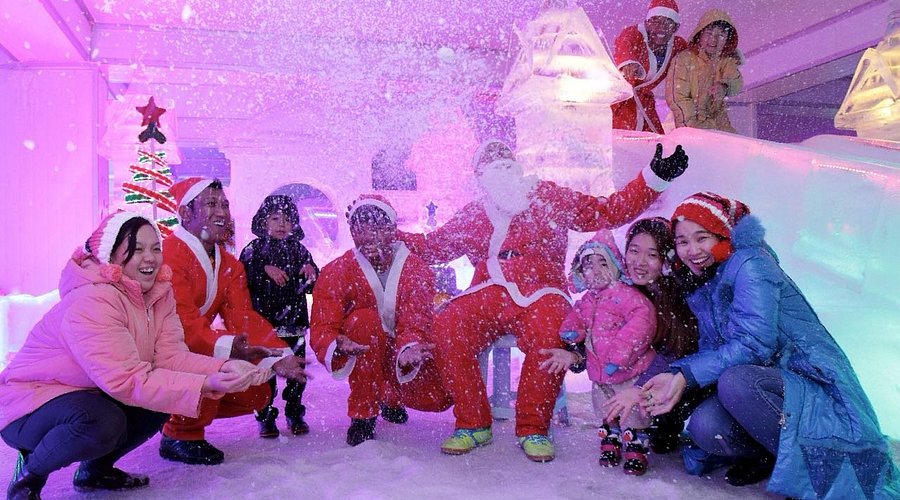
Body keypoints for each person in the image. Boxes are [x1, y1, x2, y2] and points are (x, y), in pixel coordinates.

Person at [400, 138, 689, 462]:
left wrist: (654, 178)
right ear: (479, 175)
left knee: (553, 330)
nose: (498, 162)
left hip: (542, 290)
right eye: (489, 159)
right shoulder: (474, 214)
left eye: (503, 156)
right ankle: (472, 422)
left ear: (515, 164)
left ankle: (533, 427)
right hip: (487, 290)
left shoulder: (547, 196)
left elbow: (606, 211)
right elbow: (433, 247)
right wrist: (385, 232)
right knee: (448, 324)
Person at [641, 192, 900, 498]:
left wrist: (687, 376)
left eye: (702, 238)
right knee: (705, 426)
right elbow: (713, 349)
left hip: (808, 378)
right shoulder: (707, 280)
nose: (692, 250)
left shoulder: (750, 264)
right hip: (767, 382)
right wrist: (675, 376)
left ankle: (811, 473)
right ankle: (769, 456)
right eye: (683, 242)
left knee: (736, 382)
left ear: (723, 235)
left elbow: (754, 344)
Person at [0, 213, 269, 499]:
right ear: (111, 256)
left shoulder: (157, 295)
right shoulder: (92, 300)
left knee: (158, 401)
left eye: (155, 248)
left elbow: (170, 358)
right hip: (30, 404)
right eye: (137, 249)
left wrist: (223, 368)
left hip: (88, 392)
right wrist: (205, 384)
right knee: (103, 421)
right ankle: (29, 475)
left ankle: (96, 470)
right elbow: (125, 380)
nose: (150, 258)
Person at [159, 178, 307, 466]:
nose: (221, 212)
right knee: (216, 368)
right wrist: (228, 350)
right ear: (185, 213)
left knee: (258, 392)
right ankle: (180, 432)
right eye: (211, 204)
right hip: (161, 350)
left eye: (224, 205)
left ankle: (174, 410)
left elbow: (243, 316)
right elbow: (183, 323)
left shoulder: (229, 264)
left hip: (189, 347)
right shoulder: (169, 255)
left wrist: (278, 354)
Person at [310, 195, 452, 446]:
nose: (368, 236)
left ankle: (392, 396)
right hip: (365, 348)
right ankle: (363, 414)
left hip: (401, 349)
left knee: (437, 393)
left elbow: (416, 318)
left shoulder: (416, 269)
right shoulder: (336, 271)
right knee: (363, 321)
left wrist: (409, 347)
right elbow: (323, 323)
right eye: (360, 229)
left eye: (376, 228)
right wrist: (335, 343)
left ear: (391, 230)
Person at [539, 230, 656, 475]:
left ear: (615, 266)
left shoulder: (628, 296)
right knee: (605, 407)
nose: (596, 270)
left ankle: (636, 445)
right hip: (599, 372)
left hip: (628, 371)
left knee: (632, 411)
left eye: (603, 263)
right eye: (588, 265)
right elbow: (577, 316)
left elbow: (641, 324)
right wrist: (571, 331)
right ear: (581, 273)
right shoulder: (588, 300)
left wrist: (619, 356)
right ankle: (611, 438)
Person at [605, 217, 699, 454]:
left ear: (666, 260)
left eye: (652, 255)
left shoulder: (678, 296)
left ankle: (665, 422)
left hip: (683, 379)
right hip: (648, 376)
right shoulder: (624, 292)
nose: (640, 262)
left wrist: (638, 388)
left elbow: (675, 351)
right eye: (634, 251)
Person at [240, 195, 319, 437]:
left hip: (294, 325)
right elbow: (242, 278)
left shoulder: (299, 250)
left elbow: (312, 283)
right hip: (264, 327)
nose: (281, 224)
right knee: (266, 373)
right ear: (263, 222)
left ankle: (295, 413)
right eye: (275, 218)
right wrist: (264, 269)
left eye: (287, 219)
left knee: (296, 373)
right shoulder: (253, 250)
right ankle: (266, 416)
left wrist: (311, 271)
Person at [612, 0, 688, 133]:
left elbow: (697, 52)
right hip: (620, 102)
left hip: (645, 104)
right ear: (647, 22)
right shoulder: (634, 33)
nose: (661, 27)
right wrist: (628, 62)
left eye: (668, 22)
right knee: (620, 139)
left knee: (656, 140)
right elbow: (624, 43)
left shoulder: (678, 45)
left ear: (675, 27)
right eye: (655, 21)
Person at [666, 9, 743, 132]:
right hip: (690, 128)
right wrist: (692, 127)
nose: (713, 39)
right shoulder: (683, 60)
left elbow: (735, 81)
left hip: (719, 127)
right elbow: (678, 98)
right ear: (700, 34)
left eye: (721, 35)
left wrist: (724, 86)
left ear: (727, 39)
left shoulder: (726, 60)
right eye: (709, 33)